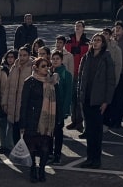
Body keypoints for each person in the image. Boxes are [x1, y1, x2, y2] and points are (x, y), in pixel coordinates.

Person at [78, 32, 117, 169]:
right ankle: (89, 158)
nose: (95, 42)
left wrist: (106, 101)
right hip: (87, 99)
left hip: (99, 101)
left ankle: (96, 159)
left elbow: (111, 81)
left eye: (99, 40)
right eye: (94, 40)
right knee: (89, 131)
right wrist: (80, 95)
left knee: (97, 131)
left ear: (103, 43)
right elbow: (81, 77)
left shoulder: (106, 58)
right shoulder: (86, 57)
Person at [20, 57, 57, 183]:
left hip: (46, 120)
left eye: (47, 66)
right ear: (36, 67)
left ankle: (41, 170)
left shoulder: (51, 82)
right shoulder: (29, 82)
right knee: (31, 147)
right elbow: (24, 103)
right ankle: (32, 170)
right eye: (43, 66)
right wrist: (22, 123)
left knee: (46, 147)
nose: (46, 68)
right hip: (32, 119)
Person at [49, 50, 73, 164]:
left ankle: (57, 155)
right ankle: (48, 153)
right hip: (48, 106)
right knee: (48, 131)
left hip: (59, 107)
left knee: (58, 132)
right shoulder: (48, 73)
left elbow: (69, 93)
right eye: (53, 59)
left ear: (62, 60)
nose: (55, 61)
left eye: (57, 59)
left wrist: (64, 110)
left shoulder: (66, 74)